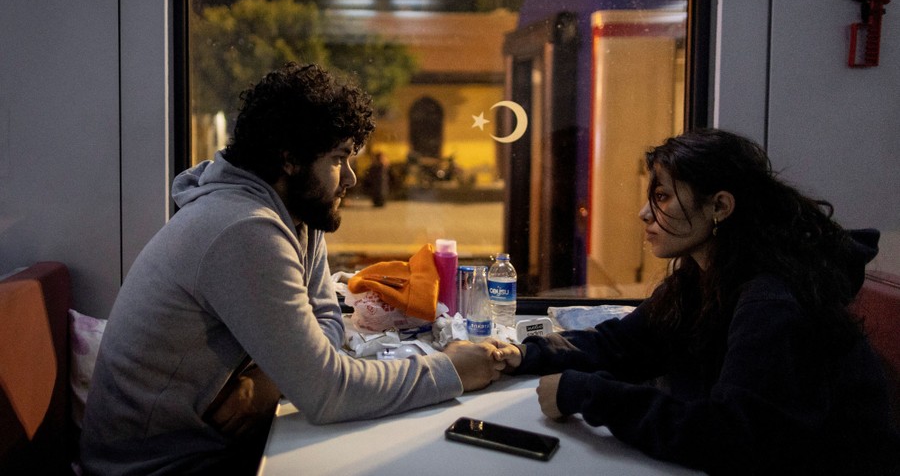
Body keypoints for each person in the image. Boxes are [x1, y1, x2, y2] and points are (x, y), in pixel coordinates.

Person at [80, 63, 515, 475]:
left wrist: (275, 377)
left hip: (207, 447)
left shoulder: (298, 215)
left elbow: (325, 319)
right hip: (162, 467)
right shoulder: (243, 230)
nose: (351, 178)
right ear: (289, 157)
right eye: (338, 158)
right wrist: (451, 369)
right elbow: (328, 393)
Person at [503, 128, 900, 474]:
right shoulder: (704, 277)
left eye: (662, 197)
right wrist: (520, 355)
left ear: (720, 207)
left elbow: (729, 437)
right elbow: (626, 344)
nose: (645, 213)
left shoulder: (772, 298)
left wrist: (587, 394)